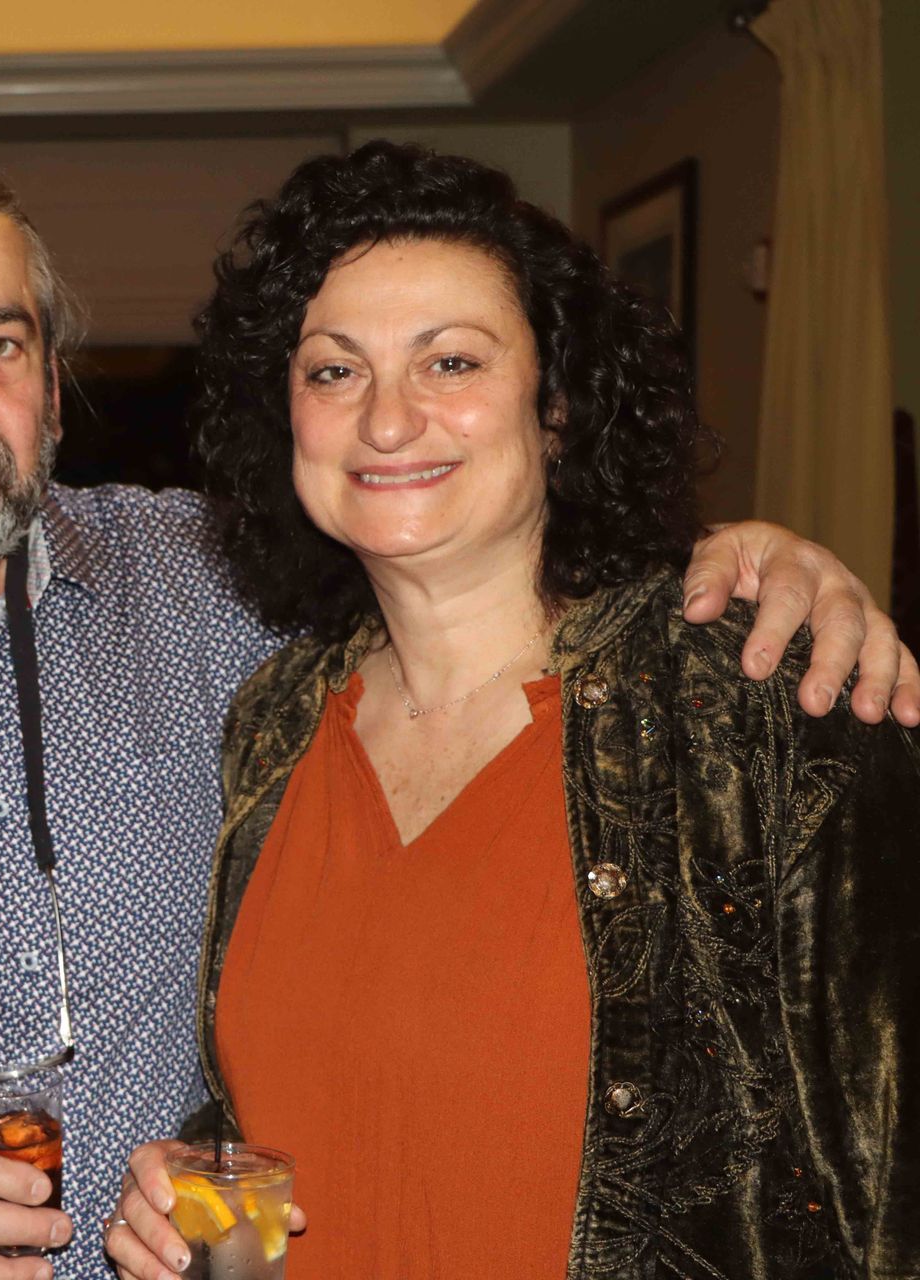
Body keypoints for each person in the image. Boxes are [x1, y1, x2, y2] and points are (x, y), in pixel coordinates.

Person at [0, 157, 916, 1280]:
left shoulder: (209, 598)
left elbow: (471, 558)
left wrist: (751, 560)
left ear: (53, 390)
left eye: (1, 342)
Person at [102, 142, 919, 1278]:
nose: (388, 420)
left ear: (559, 406)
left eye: (451, 361)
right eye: (335, 370)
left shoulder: (753, 704)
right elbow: (327, 1098)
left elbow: (889, 1183)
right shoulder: (274, 720)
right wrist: (187, 1183)